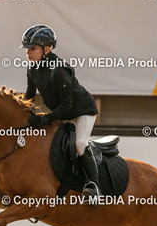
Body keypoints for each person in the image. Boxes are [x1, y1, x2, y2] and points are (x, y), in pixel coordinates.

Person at [21, 24, 100, 201]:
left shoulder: (60, 71)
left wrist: (45, 119)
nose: (28, 52)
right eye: (27, 48)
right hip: (64, 114)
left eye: (33, 48)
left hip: (82, 112)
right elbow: (29, 97)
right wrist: (19, 112)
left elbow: (66, 105)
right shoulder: (32, 69)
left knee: (80, 143)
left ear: (47, 49)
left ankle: (94, 184)